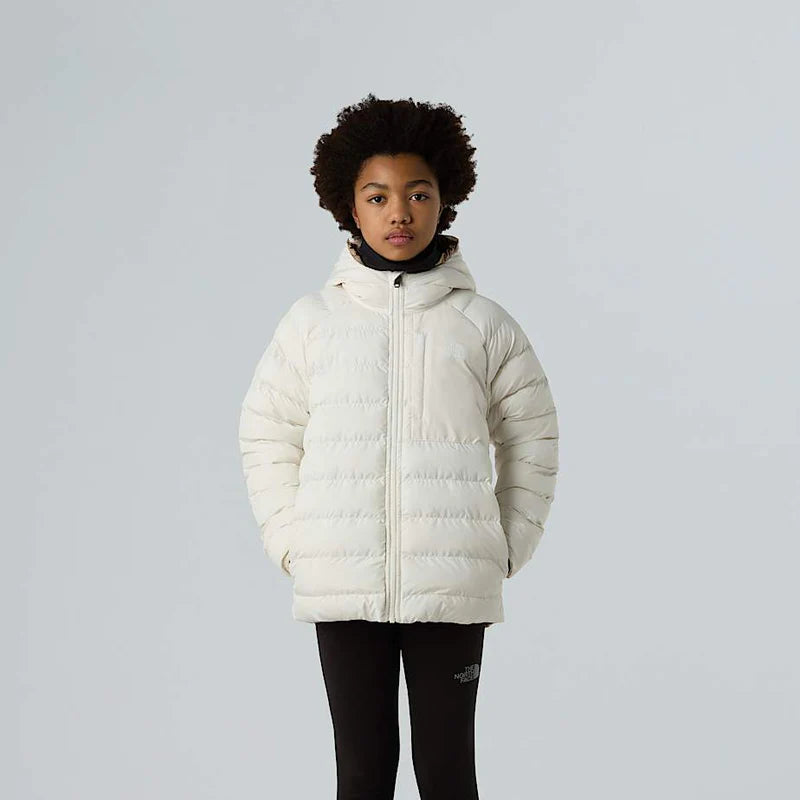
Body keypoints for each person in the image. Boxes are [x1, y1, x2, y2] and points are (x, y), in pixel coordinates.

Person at [238, 93, 559, 800]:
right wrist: (295, 542)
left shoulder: (483, 324)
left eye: (418, 194)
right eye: (377, 196)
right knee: (361, 773)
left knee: (447, 774)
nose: (400, 214)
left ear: (445, 201)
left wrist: (506, 546)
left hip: (453, 584)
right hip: (342, 582)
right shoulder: (312, 323)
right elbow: (267, 430)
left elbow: (531, 433)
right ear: (349, 208)